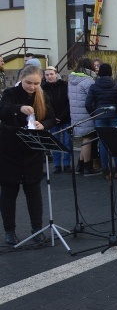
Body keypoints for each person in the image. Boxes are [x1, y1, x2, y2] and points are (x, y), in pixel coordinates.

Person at [0, 65, 54, 245]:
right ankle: (9, 231)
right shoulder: (9, 93)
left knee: (33, 191)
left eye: (36, 83)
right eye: (28, 83)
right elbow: (3, 111)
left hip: (33, 151)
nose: (32, 87)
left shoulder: (42, 94)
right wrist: (19, 108)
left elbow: (52, 117)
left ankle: (37, 229)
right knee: (9, 191)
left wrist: (43, 125)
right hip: (10, 150)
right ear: (21, 78)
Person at [86, 63, 117, 179]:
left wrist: (94, 114)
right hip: (113, 116)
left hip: (100, 115)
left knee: (103, 144)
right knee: (116, 142)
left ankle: (105, 169)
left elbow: (88, 103)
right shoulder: (116, 85)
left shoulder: (94, 86)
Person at [68, 58, 100, 176]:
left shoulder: (71, 79)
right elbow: (92, 97)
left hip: (76, 113)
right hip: (86, 113)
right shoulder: (88, 81)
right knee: (88, 139)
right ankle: (87, 167)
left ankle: (79, 166)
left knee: (84, 139)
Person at [42, 67, 72, 174]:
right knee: (54, 143)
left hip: (65, 118)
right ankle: (57, 165)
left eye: (51, 74)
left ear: (56, 74)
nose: (49, 77)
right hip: (52, 120)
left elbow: (69, 103)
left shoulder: (65, 85)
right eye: (47, 75)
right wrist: (53, 118)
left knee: (67, 142)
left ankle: (67, 164)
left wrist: (61, 117)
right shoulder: (43, 88)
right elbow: (44, 105)